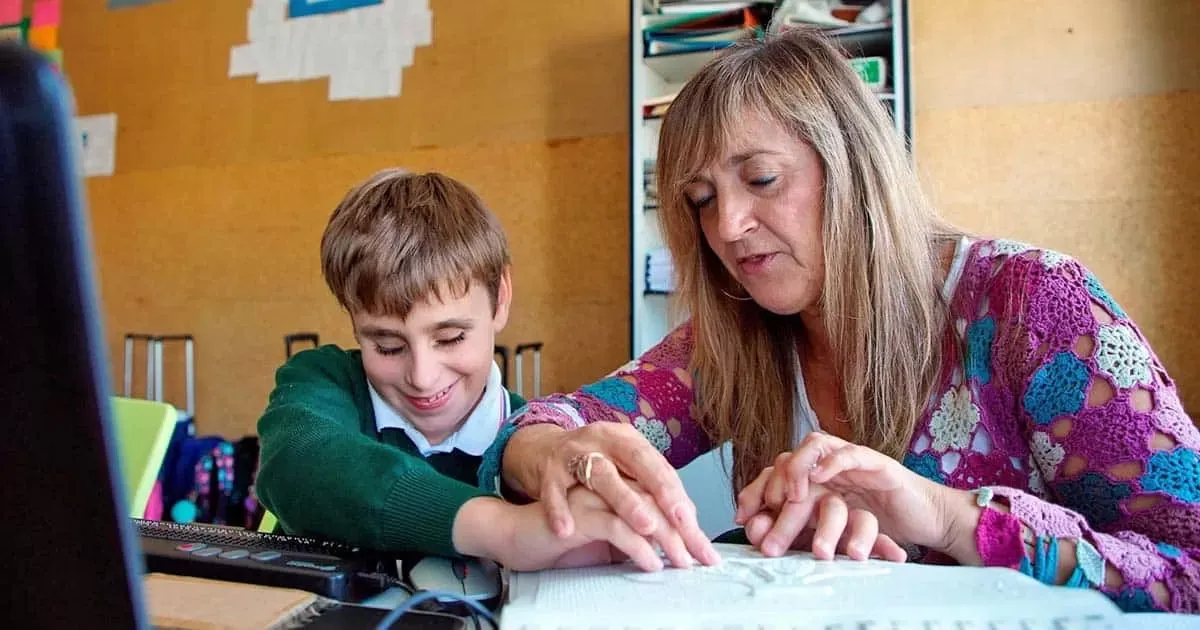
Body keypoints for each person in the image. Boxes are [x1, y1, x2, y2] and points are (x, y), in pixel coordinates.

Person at [483, 29, 1200, 612]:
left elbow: (1188, 565)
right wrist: (554, 454)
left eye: (761, 179)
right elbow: (542, 426)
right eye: (701, 198)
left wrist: (949, 518)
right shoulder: (735, 335)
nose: (728, 226)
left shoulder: (1034, 306)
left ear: (851, 163)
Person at [255, 169, 715, 571]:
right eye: (388, 345)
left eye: (451, 338)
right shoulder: (321, 383)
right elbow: (295, 463)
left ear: (501, 298)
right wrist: (502, 530)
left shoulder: (529, 453)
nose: (423, 375)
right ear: (353, 320)